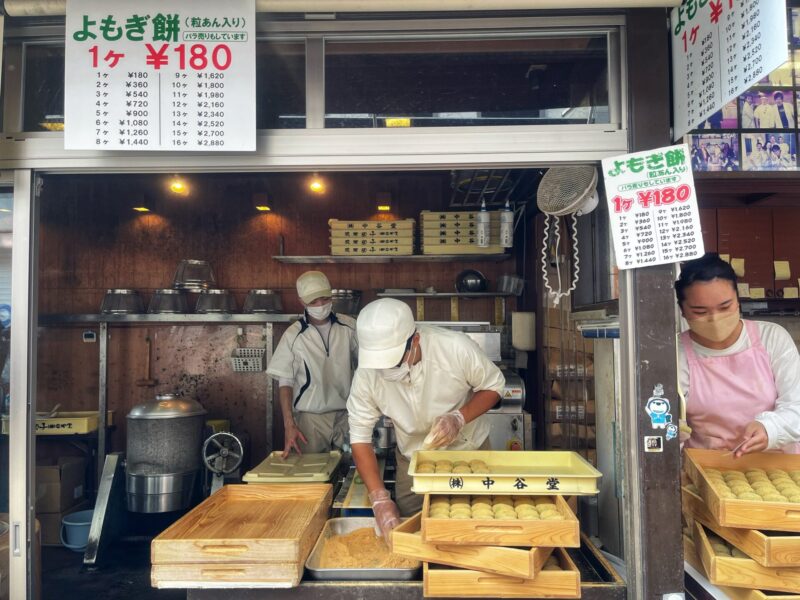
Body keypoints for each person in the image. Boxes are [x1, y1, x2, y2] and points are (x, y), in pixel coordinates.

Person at [347, 299, 505, 540]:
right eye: (380, 366)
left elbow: (494, 387)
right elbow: (359, 437)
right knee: (414, 532)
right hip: (413, 460)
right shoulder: (367, 374)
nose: (387, 371)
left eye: (394, 362)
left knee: (475, 530)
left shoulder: (454, 348)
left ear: (416, 341)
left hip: (470, 452)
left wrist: (459, 418)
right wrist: (379, 498)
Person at [675, 254, 800, 456]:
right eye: (700, 311)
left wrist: (770, 429)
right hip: (708, 468)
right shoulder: (676, 352)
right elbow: (668, 423)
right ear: (682, 310)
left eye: (725, 307)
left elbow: (797, 406)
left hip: (776, 463)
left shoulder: (772, 338)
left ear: (738, 300)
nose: (715, 319)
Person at [267, 271, 358, 458]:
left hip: (348, 416)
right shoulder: (294, 336)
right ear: (301, 301)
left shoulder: (350, 327)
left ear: (331, 296)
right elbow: (285, 382)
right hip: (310, 420)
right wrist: (289, 424)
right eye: (313, 301)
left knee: (350, 474)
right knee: (311, 474)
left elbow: (368, 367)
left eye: (324, 299)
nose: (320, 305)